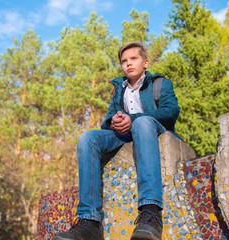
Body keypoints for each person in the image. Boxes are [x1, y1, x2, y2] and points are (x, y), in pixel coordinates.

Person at [52, 42, 181, 240]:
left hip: (152, 128)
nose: (128, 64)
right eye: (124, 61)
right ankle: (89, 222)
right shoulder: (119, 89)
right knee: (87, 138)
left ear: (145, 62)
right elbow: (107, 121)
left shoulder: (160, 83)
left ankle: (150, 213)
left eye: (133, 59)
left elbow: (171, 111)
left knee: (143, 122)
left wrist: (134, 119)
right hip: (125, 133)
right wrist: (115, 122)